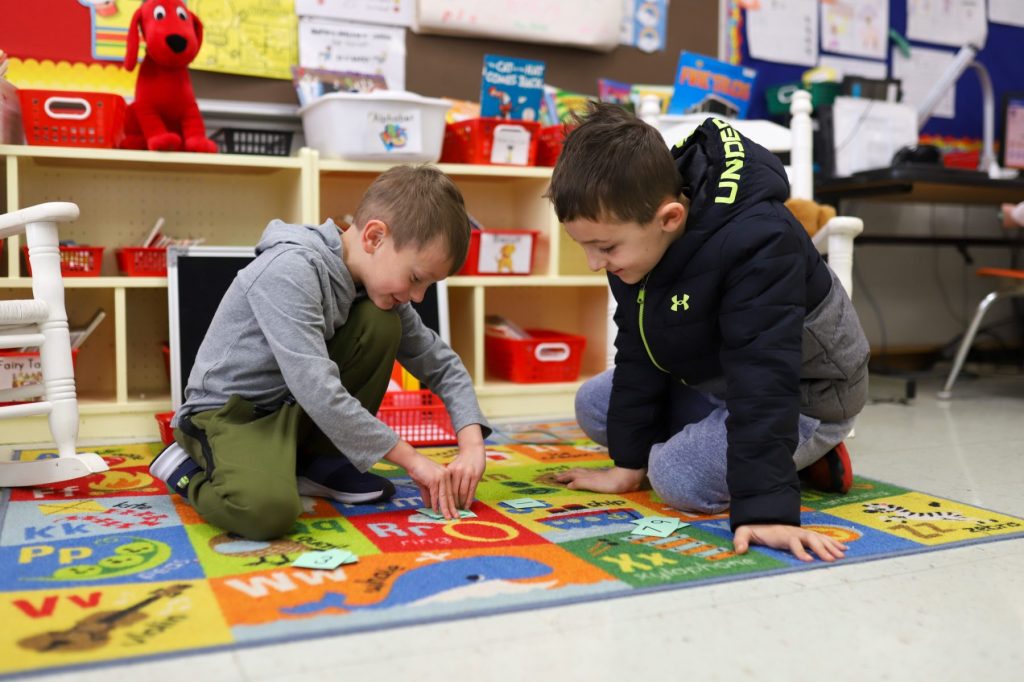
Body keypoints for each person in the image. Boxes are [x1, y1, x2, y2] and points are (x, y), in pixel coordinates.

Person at [546, 103, 870, 562]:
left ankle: (816, 446)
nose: (595, 264)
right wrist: (626, 467)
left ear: (670, 218)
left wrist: (765, 509)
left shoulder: (759, 241)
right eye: (585, 247)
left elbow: (764, 373)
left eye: (603, 248)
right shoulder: (635, 234)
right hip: (712, 373)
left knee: (675, 477)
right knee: (595, 407)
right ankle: (764, 450)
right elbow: (639, 347)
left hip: (806, 391)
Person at [149, 165, 490, 540]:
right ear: (375, 237)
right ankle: (184, 470)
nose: (418, 296)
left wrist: (472, 445)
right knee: (265, 513)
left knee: (382, 321)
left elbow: (441, 363)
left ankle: (316, 464)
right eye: (415, 278)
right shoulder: (291, 269)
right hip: (232, 415)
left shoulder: (377, 288)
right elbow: (318, 390)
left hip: (296, 411)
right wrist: (413, 461)